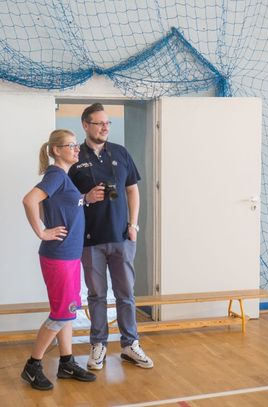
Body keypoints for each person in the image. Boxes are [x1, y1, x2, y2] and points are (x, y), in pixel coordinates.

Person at [69, 103, 153, 370]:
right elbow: (65, 200)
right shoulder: (74, 157)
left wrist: (133, 225)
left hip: (121, 237)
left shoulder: (120, 152)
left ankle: (130, 344)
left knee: (126, 294)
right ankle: (98, 345)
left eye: (108, 123)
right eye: (99, 123)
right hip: (90, 240)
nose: (105, 127)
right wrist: (85, 197)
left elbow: (132, 190)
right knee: (96, 296)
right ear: (85, 125)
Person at [21, 129, 96, 390]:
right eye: (70, 145)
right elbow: (30, 200)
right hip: (59, 256)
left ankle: (66, 363)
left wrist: (83, 199)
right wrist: (42, 232)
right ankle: (32, 366)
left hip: (70, 255)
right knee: (62, 313)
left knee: (69, 311)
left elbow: (50, 205)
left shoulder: (63, 177)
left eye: (76, 145)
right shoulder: (55, 175)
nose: (76, 149)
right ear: (56, 150)